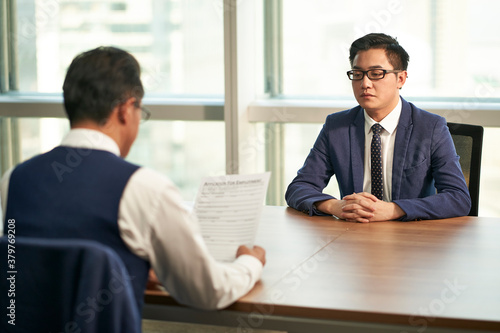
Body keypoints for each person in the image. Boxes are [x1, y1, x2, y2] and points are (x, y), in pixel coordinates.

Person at [0, 46, 266, 313]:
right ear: (126, 109)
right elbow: (209, 291)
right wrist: (249, 263)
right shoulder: (143, 188)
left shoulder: (13, 180)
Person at [285, 33, 471, 222]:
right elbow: (299, 188)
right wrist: (337, 206)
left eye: (376, 74)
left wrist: (393, 209)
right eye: (357, 74)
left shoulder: (431, 127)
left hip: (412, 238)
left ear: (401, 79)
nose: (365, 84)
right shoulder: (336, 127)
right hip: (355, 235)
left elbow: (458, 198)